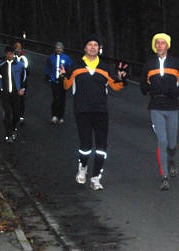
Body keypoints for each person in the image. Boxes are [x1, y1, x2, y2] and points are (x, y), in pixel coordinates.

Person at [59, 34, 128, 191]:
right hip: (82, 110)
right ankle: (82, 167)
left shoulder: (105, 67)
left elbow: (116, 86)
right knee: (86, 145)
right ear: (85, 48)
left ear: (99, 48)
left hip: (100, 111)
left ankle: (96, 177)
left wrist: (121, 78)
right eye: (89, 44)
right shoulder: (76, 66)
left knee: (101, 146)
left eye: (95, 45)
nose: (92, 47)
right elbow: (66, 86)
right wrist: (64, 75)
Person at [140, 33, 179, 191]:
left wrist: (175, 92)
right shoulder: (149, 64)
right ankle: (165, 177)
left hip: (172, 106)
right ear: (155, 45)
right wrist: (150, 89)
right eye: (157, 43)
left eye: (163, 43)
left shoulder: (176, 63)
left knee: (172, 143)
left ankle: (171, 159)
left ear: (168, 45)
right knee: (162, 141)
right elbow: (143, 86)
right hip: (156, 106)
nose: (160, 46)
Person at [0, 46, 26, 143]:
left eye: (11, 53)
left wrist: (22, 88)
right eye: (7, 53)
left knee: (16, 114)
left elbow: (24, 77)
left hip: (16, 93)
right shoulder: (1, 65)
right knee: (8, 113)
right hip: (5, 94)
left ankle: (13, 127)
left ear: (13, 54)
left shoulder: (19, 65)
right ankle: (9, 134)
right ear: (5, 54)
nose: (9, 55)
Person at [45, 42, 72, 124]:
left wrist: (67, 75)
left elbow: (70, 68)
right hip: (54, 80)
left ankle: (61, 116)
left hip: (63, 81)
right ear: (55, 49)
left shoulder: (66, 58)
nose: (58, 49)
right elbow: (48, 67)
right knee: (55, 98)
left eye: (60, 48)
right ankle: (54, 116)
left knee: (62, 99)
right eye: (57, 48)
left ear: (62, 49)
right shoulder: (51, 58)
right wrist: (47, 75)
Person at [13, 42, 29, 123]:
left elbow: (26, 72)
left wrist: (23, 85)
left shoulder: (24, 59)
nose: (18, 50)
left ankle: (21, 116)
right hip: (13, 83)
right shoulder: (12, 57)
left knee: (21, 100)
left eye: (19, 48)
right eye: (16, 48)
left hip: (22, 83)